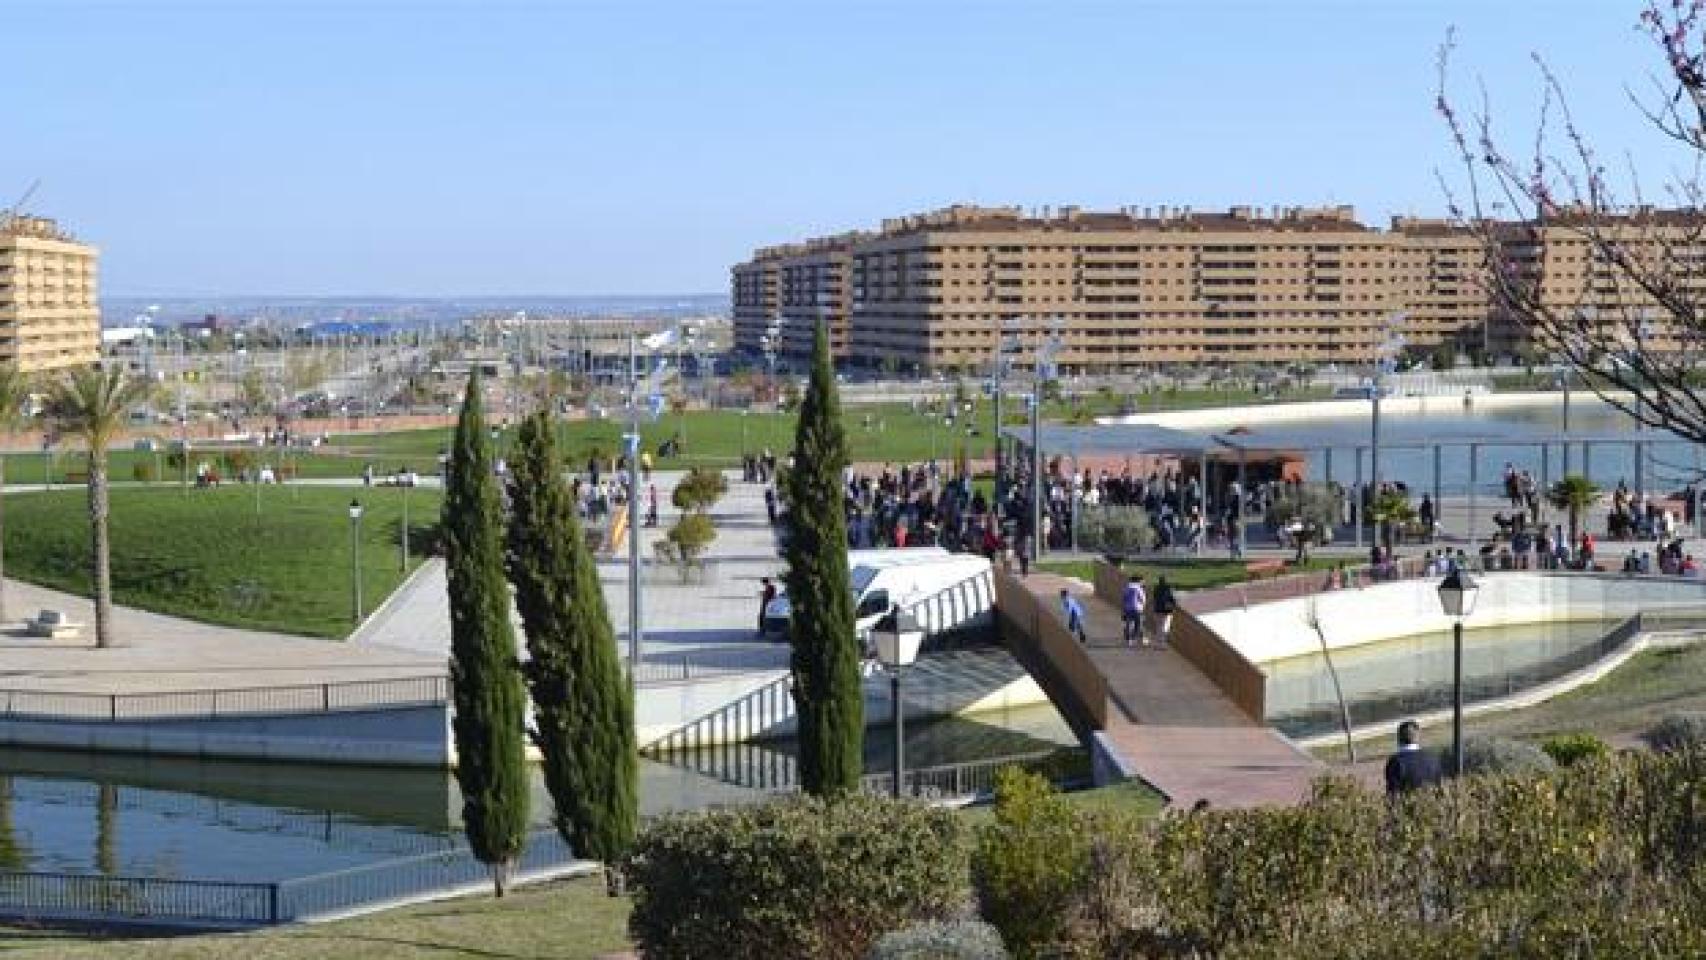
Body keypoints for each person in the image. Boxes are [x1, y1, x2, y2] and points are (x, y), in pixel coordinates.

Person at [1383, 720, 1443, 796]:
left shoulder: (1395, 762)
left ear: (1399, 738)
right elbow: (1439, 789)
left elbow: (1392, 793)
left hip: (1407, 802)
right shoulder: (1433, 759)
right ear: (1417, 737)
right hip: (1431, 801)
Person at [1151, 576, 1177, 648]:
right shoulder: (1168, 588)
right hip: (1166, 610)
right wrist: (1174, 605)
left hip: (1157, 609)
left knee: (1158, 626)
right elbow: (1171, 598)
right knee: (1165, 627)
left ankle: (1158, 644)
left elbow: (1154, 598)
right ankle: (1162, 644)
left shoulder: (1156, 588)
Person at [1121, 575, 1147, 648]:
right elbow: (1143, 599)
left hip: (1127, 608)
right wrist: (1143, 605)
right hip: (1137, 609)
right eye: (1142, 581)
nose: (1143, 582)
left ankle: (1128, 639)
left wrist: (1124, 607)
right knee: (1138, 624)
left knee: (1128, 624)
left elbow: (1124, 598)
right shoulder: (1138, 588)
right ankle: (1133, 638)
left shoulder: (1127, 587)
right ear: (1139, 581)